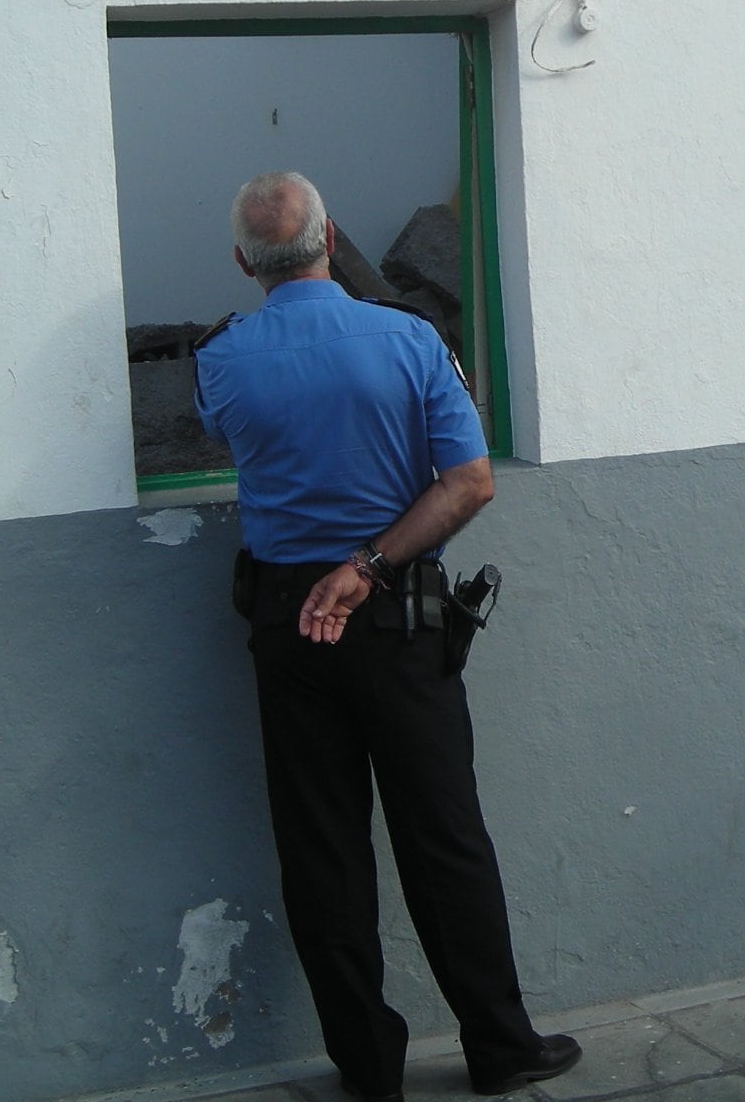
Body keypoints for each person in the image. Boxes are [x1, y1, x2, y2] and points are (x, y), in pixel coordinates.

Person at [193, 171, 581, 1100]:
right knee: (444, 837)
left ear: (243, 260)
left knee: (320, 848)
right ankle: (499, 1045)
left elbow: (225, 435)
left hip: (291, 628)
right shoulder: (408, 339)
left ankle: (368, 1071)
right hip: (399, 620)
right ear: (332, 236)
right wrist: (367, 565)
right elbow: (471, 482)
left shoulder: (221, 360)